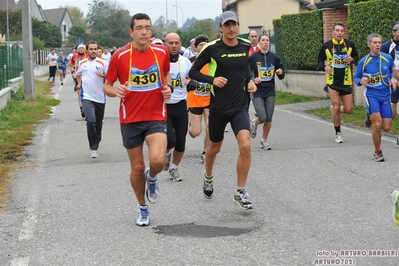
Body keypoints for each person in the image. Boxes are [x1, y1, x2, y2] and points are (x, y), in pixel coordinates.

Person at [103, 13, 173, 226]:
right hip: (130, 118)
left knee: (158, 161)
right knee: (137, 168)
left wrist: (168, 87)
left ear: (151, 31)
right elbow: (107, 85)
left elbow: (166, 75)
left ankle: (152, 178)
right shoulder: (120, 56)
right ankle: (142, 208)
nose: (144, 32)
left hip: (155, 116)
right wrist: (116, 91)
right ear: (131, 32)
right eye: (140, 28)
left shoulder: (161, 52)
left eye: (148, 28)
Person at [188, 10, 257, 210]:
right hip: (218, 107)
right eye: (227, 25)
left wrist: (250, 81)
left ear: (238, 26)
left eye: (234, 24)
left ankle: (240, 191)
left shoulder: (245, 46)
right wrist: (212, 80)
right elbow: (192, 71)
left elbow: (245, 69)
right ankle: (208, 176)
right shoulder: (211, 48)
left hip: (239, 107)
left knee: (245, 146)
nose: (231, 28)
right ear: (221, 28)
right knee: (214, 148)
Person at [354, 33, 395, 162]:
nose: (378, 45)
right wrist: (360, 81)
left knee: (387, 127)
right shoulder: (364, 61)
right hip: (371, 95)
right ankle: (378, 152)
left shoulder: (387, 58)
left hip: (385, 95)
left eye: (379, 42)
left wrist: (393, 78)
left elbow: (392, 70)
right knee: (378, 125)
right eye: (375, 42)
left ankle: (369, 116)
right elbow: (356, 77)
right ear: (369, 44)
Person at [318, 22, 359, 144]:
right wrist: (324, 68)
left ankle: (333, 109)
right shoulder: (326, 46)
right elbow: (320, 62)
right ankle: (338, 133)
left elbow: (356, 57)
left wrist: (351, 59)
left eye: (342, 31)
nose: (340, 33)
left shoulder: (350, 44)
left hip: (346, 81)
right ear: (333, 32)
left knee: (349, 109)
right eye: (337, 30)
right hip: (332, 81)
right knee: (336, 106)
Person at [163, 32, 192, 181]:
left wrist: (191, 82)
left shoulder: (185, 61)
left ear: (180, 44)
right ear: (165, 44)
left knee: (181, 140)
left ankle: (174, 168)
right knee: (170, 139)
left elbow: (190, 77)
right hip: (164, 105)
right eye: (170, 43)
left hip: (180, 104)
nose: (174, 46)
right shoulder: (159, 62)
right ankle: (166, 153)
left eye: (176, 43)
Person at [249, 33, 285, 150]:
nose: (266, 42)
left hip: (270, 90)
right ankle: (254, 123)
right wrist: (254, 79)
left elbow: (282, 75)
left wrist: (280, 72)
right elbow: (247, 73)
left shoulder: (274, 57)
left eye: (267, 40)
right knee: (262, 117)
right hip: (258, 91)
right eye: (263, 40)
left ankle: (264, 140)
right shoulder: (253, 57)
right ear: (259, 43)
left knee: (269, 118)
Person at [75, 41, 108, 159]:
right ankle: (93, 147)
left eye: (95, 49)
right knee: (91, 120)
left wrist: (103, 76)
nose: (93, 51)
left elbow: (112, 77)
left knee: (98, 123)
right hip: (87, 97)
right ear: (87, 51)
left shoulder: (103, 63)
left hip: (100, 97)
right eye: (91, 49)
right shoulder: (82, 62)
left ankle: (97, 140)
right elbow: (78, 74)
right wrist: (79, 84)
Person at [187, 34, 211, 164]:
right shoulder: (190, 61)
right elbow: (184, 78)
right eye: (201, 44)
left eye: (206, 44)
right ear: (195, 48)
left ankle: (205, 152)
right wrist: (188, 82)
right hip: (195, 99)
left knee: (210, 128)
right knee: (196, 131)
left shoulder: (213, 62)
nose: (203, 47)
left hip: (209, 99)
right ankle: (191, 127)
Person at [381, 22, 399, 147]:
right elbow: (381, 63)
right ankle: (374, 117)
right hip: (393, 82)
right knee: (392, 114)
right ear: (394, 32)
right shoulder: (387, 46)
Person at [70, 44, 88, 118]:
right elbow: (71, 64)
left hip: (86, 76)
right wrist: (72, 69)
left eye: (82, 48)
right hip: (78, 76)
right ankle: (82, 109)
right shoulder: (74, 56)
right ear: (77, 50)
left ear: (85, 49)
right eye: (79, 48)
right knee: (79, 93)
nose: (81, 49)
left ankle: (86, 108)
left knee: (86, 93)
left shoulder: (87, 55)